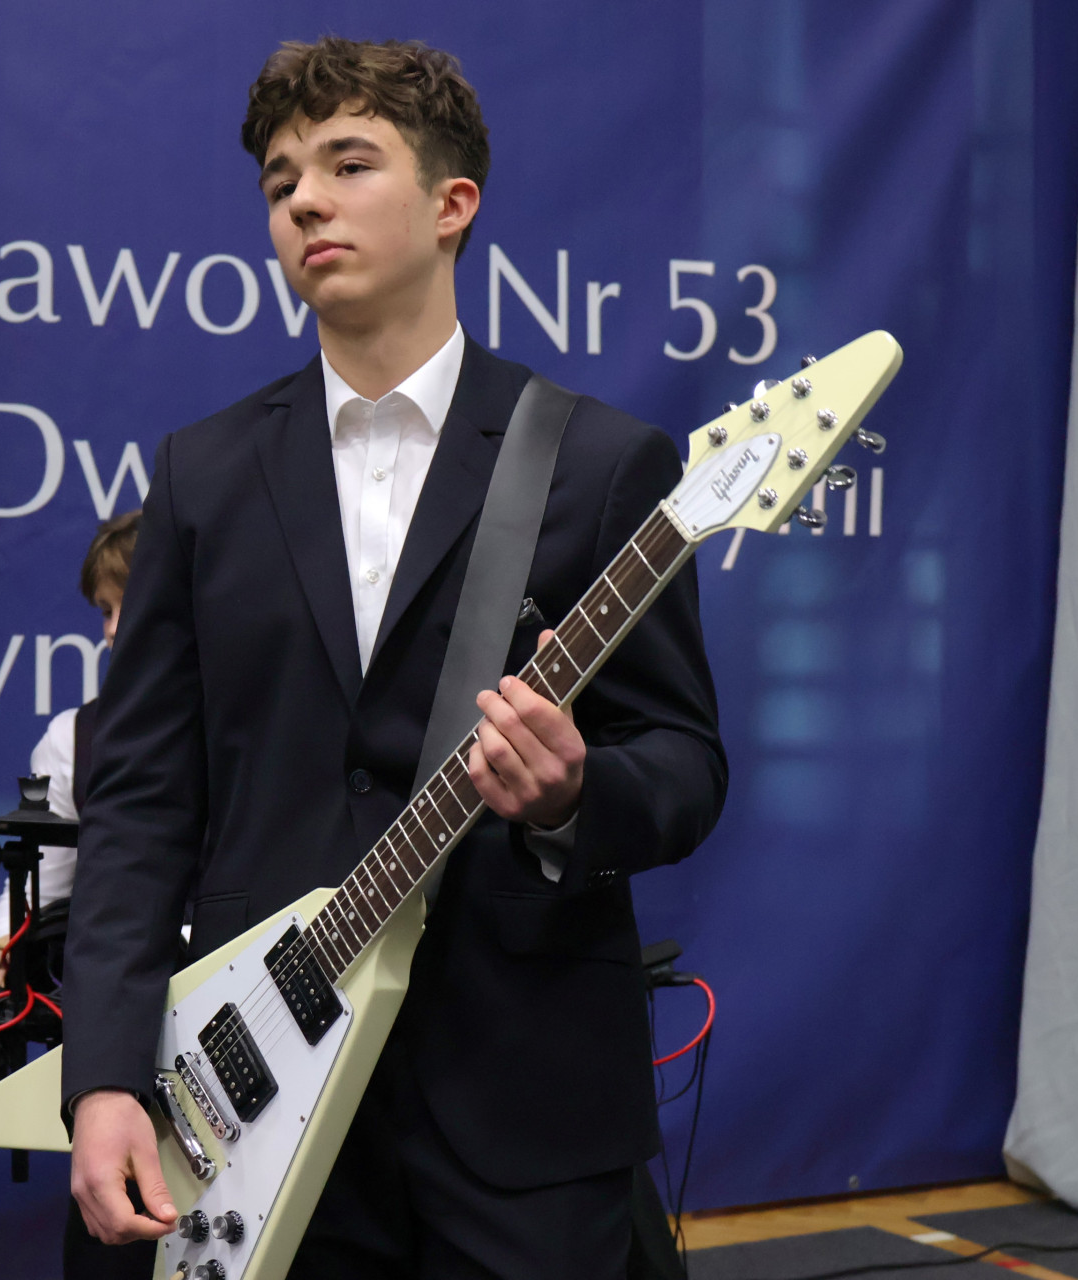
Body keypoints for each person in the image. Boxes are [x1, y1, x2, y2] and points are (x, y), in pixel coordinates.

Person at [61, 37, 726, 1278]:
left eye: (348, 163)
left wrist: (574, 793)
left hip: (522, 1105)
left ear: (451, 203)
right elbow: (139, 801)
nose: (304, 200)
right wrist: (103, 1073)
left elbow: (686, 763)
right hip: (256, 1094)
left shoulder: (598, 462)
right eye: (280, 181)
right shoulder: (203, 475)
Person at [0, 511, 139, 986]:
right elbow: (45, 886)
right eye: (105, 610)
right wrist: (1, 948)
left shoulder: (244, 724)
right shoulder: (71, 737)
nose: (112, 628)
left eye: (130, 602)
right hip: (118, 991)